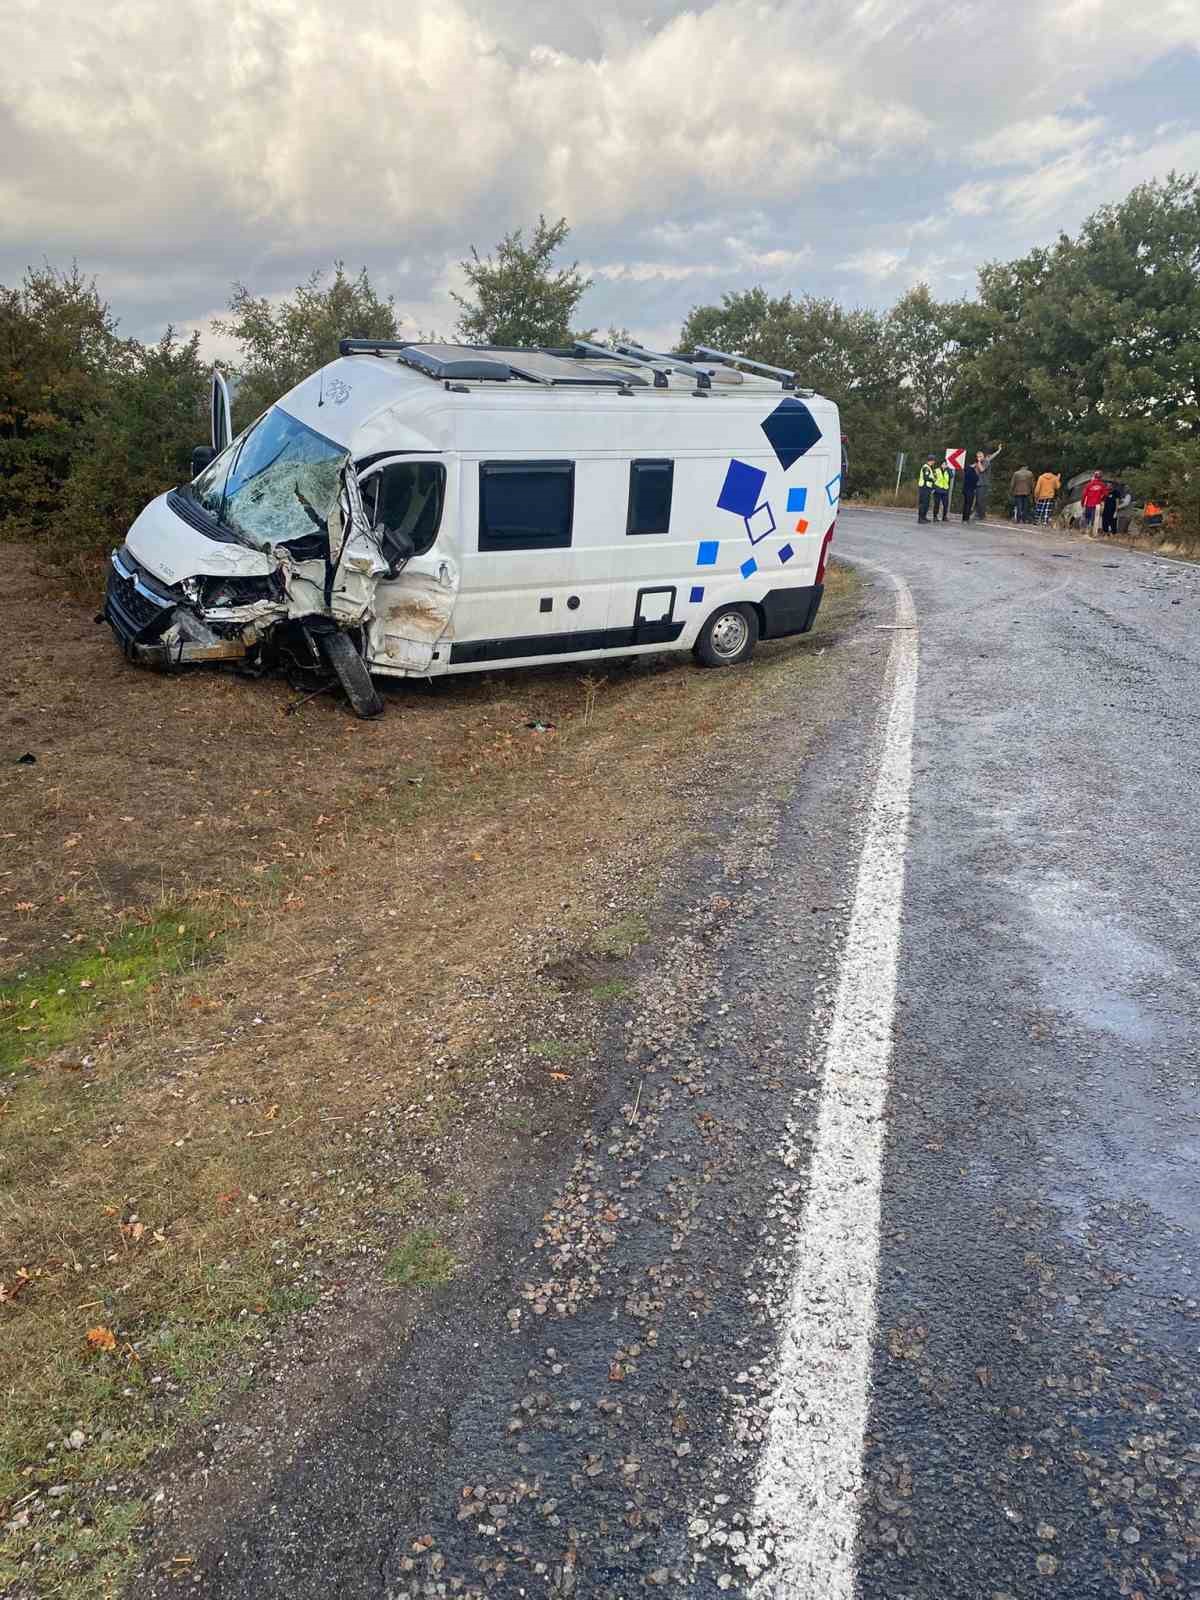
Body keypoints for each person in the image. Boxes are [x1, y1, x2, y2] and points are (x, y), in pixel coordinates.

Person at [973, 445, 1003, 519]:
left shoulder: (986, 462)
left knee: (981, 500)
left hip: (983, 484)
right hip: (978, 483)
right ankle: (977, 514)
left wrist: (998, 451)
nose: (979, 458)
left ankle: (981, 515)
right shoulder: (978, 463)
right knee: (977, 500)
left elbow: (982, 469)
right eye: (978, 456)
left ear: (983, 456)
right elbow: (975, 470)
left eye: (980, 456)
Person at [917, 455, 937, 523]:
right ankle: (920, 518)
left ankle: (924, 517)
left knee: (926, 503)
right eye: (933, 460)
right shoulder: (926, 467)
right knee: (923, 503)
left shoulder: (929, 467)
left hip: (928, 488)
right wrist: (933, 479)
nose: (934, 462)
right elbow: (926, 477)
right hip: (924, 487)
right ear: (931, 460)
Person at [962, 457, 978, 522]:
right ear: (975, 463)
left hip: (965, 489)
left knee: (965, 504)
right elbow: (976, 480)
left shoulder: (966, 469)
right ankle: (966, 519)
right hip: (971, 490)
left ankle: (963, 518)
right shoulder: (973, 472)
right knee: (969, 505)